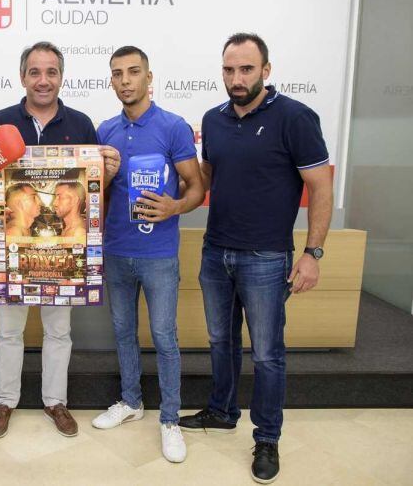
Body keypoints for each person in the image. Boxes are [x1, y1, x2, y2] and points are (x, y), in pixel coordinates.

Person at [178, 33, 333, 483]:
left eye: (246, 69)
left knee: (267, 354)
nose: (236, 78)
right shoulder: (214, 119)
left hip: (266, 258)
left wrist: (313, 253)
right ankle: (223, 411)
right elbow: (204, 180)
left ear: (266, 70)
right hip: (216, 253)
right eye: (229, 70)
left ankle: (267, 438)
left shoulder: (295, 118)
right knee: (220, 341)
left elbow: (321, 187)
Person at [0, 41, 121, 438]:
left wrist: (110, 173)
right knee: (9, 331)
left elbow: (91, 192)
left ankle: (55, 401)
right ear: (22, 77)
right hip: (13, 248)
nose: (43, 80)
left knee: (59, 331)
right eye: (35, 72)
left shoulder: (82, 123)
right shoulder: (1, 122)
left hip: (63, 251)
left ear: (61, 77)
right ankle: (5, 401)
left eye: (51, 72)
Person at [92, 46, 205, 463]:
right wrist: (104, 178)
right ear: (111, 81)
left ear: (148, 77)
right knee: (123, 332)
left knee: (163, 337)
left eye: (133, 72)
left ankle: (170, 419)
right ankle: (131, 401)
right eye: (118, 74)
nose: (125, 80)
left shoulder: (173, 128)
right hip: (117, 250)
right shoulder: (104, 130)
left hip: (159, 254)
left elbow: (196, 187)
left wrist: (174, 206)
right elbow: (96, 195)